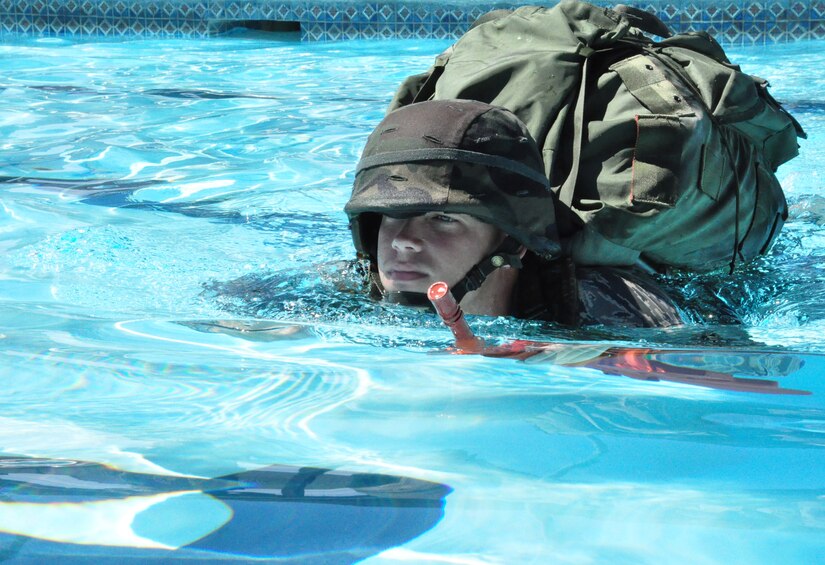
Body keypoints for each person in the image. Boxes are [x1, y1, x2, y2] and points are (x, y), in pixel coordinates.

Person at [345, 99, 684, 327]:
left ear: (512, 240)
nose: (403, 242)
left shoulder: (608, 307)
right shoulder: (348, 293)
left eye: (442, 218)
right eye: (391, 215)